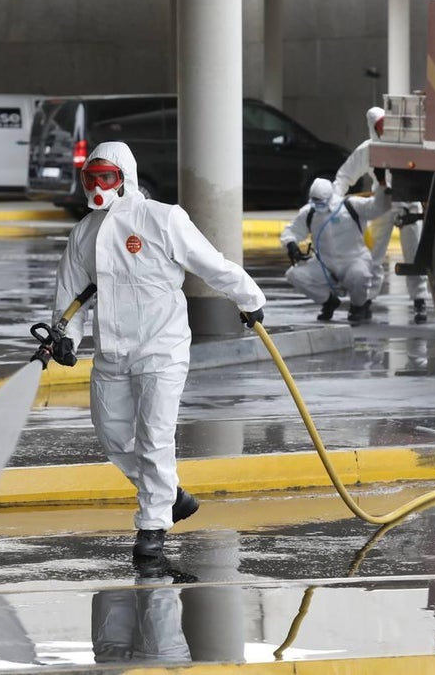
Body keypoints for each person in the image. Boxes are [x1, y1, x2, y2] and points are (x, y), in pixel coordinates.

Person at [45, 141, 266, 561]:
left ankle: (152, 527)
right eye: (90, 179)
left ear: (124, 178)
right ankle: (170, 496)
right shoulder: (85, 233)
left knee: (154, 437)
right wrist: (67, 336)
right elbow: (70, 293)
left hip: (160, 347)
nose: (97, 187)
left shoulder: (161, 218)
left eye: (106, 178)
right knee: (113, 437)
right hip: (111, 352)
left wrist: (248, 297)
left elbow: (209, 262)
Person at [333, 106, 430, 324]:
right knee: (373, 255)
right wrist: (333, 201)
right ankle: (366, 300)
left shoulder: (404, 145)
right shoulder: (368, 150)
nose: (383, 128)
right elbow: (345, 175)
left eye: (385, 123)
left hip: (408, 203)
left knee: (414, 254)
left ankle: (420, 301)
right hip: (381, 204)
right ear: (372, 127)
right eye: (379, 125)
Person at [281, 177, 390, 323]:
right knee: (295, 275)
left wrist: (382, 188)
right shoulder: (309, 212)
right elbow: (292, 231)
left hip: (354, 259)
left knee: (360, 275)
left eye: (321, 200)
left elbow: (377, 208)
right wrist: (291, 244)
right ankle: (328, 302)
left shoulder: (350, 205)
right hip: (325, 263)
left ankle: (358, 306)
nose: (319, 204)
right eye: (315, 200)